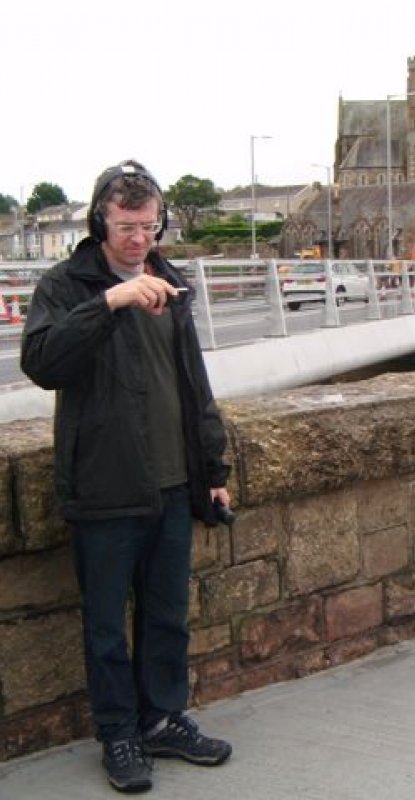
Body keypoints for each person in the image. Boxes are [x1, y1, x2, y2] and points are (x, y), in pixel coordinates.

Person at [21, 160, 233, 793]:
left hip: (172, 485)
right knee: (108, 624)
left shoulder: (168, 278)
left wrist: (213, 469)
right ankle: (118, 733)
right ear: (99, 221)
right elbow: (42, 362)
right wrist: (108, 301)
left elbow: (193, 384)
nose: (140, 239)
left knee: (168, 615)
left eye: (150, 225)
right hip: (104, 486)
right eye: (126, 226)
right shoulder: (67, 284)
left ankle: (162, 719)